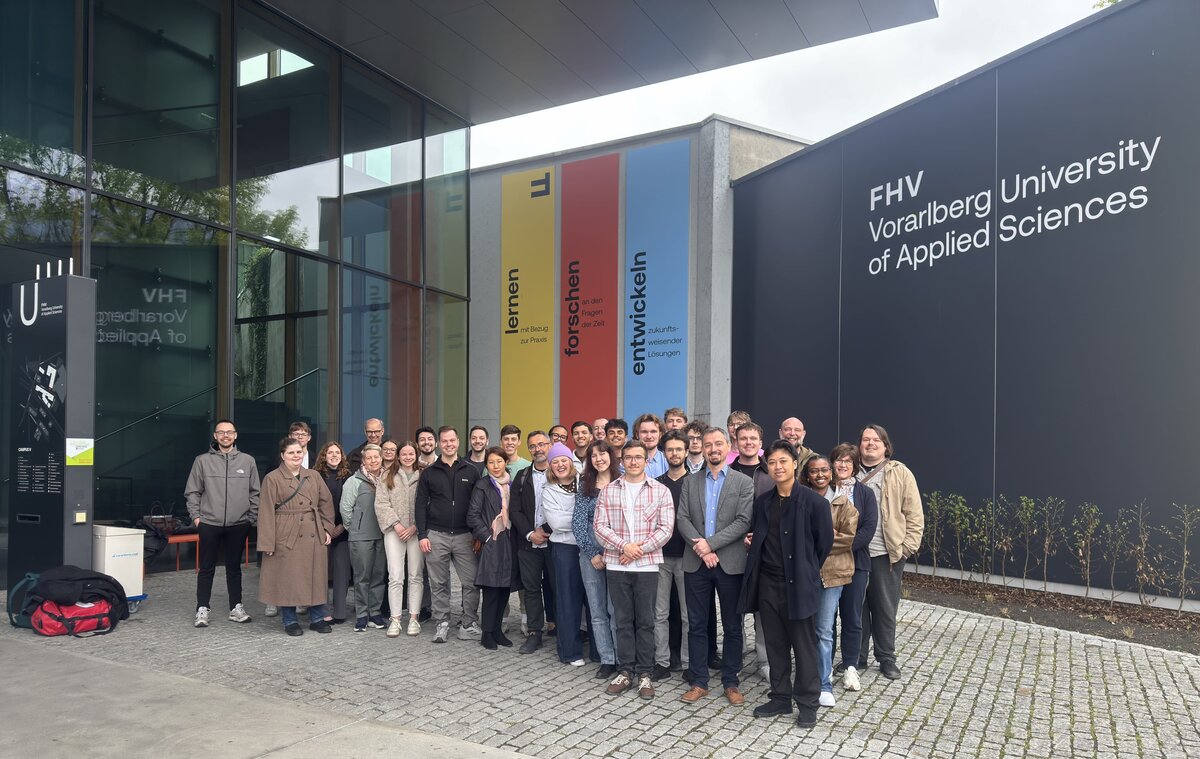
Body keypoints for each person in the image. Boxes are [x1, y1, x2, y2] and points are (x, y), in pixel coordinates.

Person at [740, 440, 833, 728]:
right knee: (775, 645)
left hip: (799, 585)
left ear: (795, 464)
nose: (777, 467)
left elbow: (824, 544)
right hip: (767, 583)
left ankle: (807, 703)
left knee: (804, 647)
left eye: (783, 461)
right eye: (772, 462)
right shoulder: (763, 502)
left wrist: (804, 569)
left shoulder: (814, 503)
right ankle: (780, 697)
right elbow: (759, 534)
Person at [593, 440, 675, 700]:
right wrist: (624, 547)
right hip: (617, 565)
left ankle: (645, 674)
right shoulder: (608, 491)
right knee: (623, 620)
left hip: (647, 566)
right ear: (622, 460)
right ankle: (625, 671)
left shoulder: (660, 491)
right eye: (628, 457)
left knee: (647, 621)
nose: (633, 461)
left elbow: (666, 528)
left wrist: (639, 550)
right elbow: (599, 527)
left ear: (646, 460)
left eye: (638, 457)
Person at [677, 427, 754, 706]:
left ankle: (731, 682)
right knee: (697, 624)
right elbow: (682, 518)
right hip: (696, 563)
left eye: (718, 444)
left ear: (727, 446)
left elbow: (743, 521)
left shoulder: (743, 482)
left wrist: (709, 545)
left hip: (730, 563)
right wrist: (702, 547)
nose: (712, 449)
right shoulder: (690, 481)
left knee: (733, 626)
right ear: (701, 448)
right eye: (707, 444)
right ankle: (699, 681)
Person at [857, 424, 923, 680]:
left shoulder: (900, 473)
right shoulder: (849, 471)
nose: (870, 444)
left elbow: (914, 514)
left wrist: (907, 548)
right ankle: (857, 658)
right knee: (856, 609)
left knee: (885, 609)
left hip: (887, 554)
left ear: (886, 446)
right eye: (865, 440)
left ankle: (886, 658)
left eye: (876, 440)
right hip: (854, 553)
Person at [184, 419, 260, 628]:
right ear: (215, 436)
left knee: (234, 568)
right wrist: (197, 518)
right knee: (206, 567)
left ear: (235, 435)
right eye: (221, 433)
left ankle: (236, 607)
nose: (225, 436)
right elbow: (192, 491)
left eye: (229, 432)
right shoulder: (202, 461)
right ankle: (202, 608)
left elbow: (255, 492)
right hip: (209, 523)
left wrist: (250, 518)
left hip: (239, 524)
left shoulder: (247, 461)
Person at [259, 436, 335, 636]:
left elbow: (326, 503)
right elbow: (266, 510)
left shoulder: (313, 476)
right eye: (291, 452)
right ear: (283, 455)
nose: (296, 456)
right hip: (286, 532)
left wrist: (327, 529)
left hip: (313, 530)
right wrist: (267, 541)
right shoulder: (272, 478)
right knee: (288, 577)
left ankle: (317, 618)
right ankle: (290, 620)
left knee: (316, 576)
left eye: (299, 452)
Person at [416, 426, 483, 643]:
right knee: (439, 583)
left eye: (452, 440)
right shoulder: (429, 473)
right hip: (436, 535)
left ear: (458, 442)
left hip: (465, 536)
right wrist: (422, 535)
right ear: (438, 444)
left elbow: (478, 504)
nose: (448, 444)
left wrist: (477, 533)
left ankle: (469, 623)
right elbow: (419, 505)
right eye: (444, 441)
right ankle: (442, 622)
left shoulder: (471, 470)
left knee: (471, 581)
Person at [801, 455, 858, 707]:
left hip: (832, 575)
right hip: (804, 574)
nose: (820, 474)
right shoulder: (800, 499)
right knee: (803, 630)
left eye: (825, 469)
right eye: (814, 471)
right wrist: (825, 534)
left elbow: (847, 538)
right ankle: (805, 677)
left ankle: (823, 684)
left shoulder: (844, 503)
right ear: (807, 475)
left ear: (831, 473)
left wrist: (817, 538)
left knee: (824, 631)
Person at [829, 443, 878, 692]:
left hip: (857, 564)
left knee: (852, 616)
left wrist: (843, 547)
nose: (843, 465)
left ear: (855, 465)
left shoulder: (865, 494)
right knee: (827, 617)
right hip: (826, 565)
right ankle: (824, 665)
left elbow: (868, 529)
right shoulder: (824, 490)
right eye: (839, 460)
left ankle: (850, 666)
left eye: (849, 461)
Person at [573, 440, 621, 680]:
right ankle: (607, 659)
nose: (599, 459)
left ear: (611, 456)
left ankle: (622, 658)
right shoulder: (586, 487)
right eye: (593, 456)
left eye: (603, 454)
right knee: (598, 610)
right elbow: (578, 524)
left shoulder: (624, 483)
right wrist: (592, 554)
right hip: (590, 557)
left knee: (616, 610)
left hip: (619, 555)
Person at [468, 446, 520, 650]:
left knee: (504, 589)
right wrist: (488, 537)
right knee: (491, 589)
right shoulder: (482, 485)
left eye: (499, 461)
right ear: (486, 465)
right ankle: (487, 633)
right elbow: (472, 515)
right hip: (493, 541)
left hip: (510, 541)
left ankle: (497, 630)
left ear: (506, 462)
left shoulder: (512, 484)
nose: (495, 466)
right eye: (491, 462)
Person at [544, 443, 586, 666]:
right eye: (555, 461)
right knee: (568, 600)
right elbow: (557, 523)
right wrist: (583, 517)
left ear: (571, 462)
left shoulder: (585, 483)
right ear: (551, 466)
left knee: (593, 600)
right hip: (564, 549)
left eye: (564, 460)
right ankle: (570, 651)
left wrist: (575, 517)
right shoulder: (549, 490)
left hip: (588, 547)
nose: (560, 465)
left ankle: (600, 651)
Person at [511, 430, 554, 653]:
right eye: (533, 446)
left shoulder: (561, 472)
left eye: (541, 444)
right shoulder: (522, 476)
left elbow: (567, 509)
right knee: (531, 588)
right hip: (528, 543)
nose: (538, 449)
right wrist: (530, 533)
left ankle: (561, 629)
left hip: (556, 542)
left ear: (549, 446)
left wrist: (545, 530)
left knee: (558, 587)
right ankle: (534, 632)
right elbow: (514, 510)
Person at [375, 441, 424, 637]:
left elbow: (429, 503)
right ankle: (395, 619)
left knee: (416, 575)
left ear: (416, 454)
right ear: (398, 455)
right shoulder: (387, 475)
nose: (407, 457)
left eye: (411, 453)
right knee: (395, 576)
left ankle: (413, 618)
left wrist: (415, 527)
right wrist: (396, 524)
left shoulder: (424, 475)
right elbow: (381, 504)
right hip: (394, 531)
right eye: (403, 453)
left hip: (416, 532)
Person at [652, 431, 690, 681]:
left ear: (687, 451)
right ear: (664, 452)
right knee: (660, 613)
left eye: (679, 449)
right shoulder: (655, 483)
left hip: (689, 557)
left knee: (688, 615)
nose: (674, 453)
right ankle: (662, 662)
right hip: (660, 557)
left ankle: (688, 663)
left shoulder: (697, 481)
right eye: (670, 449)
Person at [341, 444, 387, 632]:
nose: (373, 461)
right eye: (369, 458)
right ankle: (361, 615)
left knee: (378, 576)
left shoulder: (387, 479)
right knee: (361, 577)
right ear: (363, 461)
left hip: (383, 535)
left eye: (376, 457)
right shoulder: (354, 482)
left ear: (381, 458)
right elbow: (345, 509)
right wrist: (355, 528)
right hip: (361, 537)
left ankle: (374, 613)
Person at [314, 442, 352, 624]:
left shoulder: (348, 476)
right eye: (330, 452)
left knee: (341, 572)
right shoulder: (315, 476)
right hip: (321, 531)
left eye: (338, 452)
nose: (334, 455)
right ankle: (322, 609)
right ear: (324, 455)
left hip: (343, 530)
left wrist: (343, 526)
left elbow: (353, 504)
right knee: (320, 572)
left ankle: (339, 612)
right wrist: (326, 528)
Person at [731, 422, 773, 496]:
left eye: (753, 438)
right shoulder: (726, 473)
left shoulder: (772, 473)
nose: (748, 442)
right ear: (736, 443)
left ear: (760, 444)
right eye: (743, 439)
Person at [634, 413, 668, 479]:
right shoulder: (629, 461)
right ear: (637, 435)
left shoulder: (668, 460)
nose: (649, 436)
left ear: (660, 434)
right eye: (644, 432)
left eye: (653, 431)